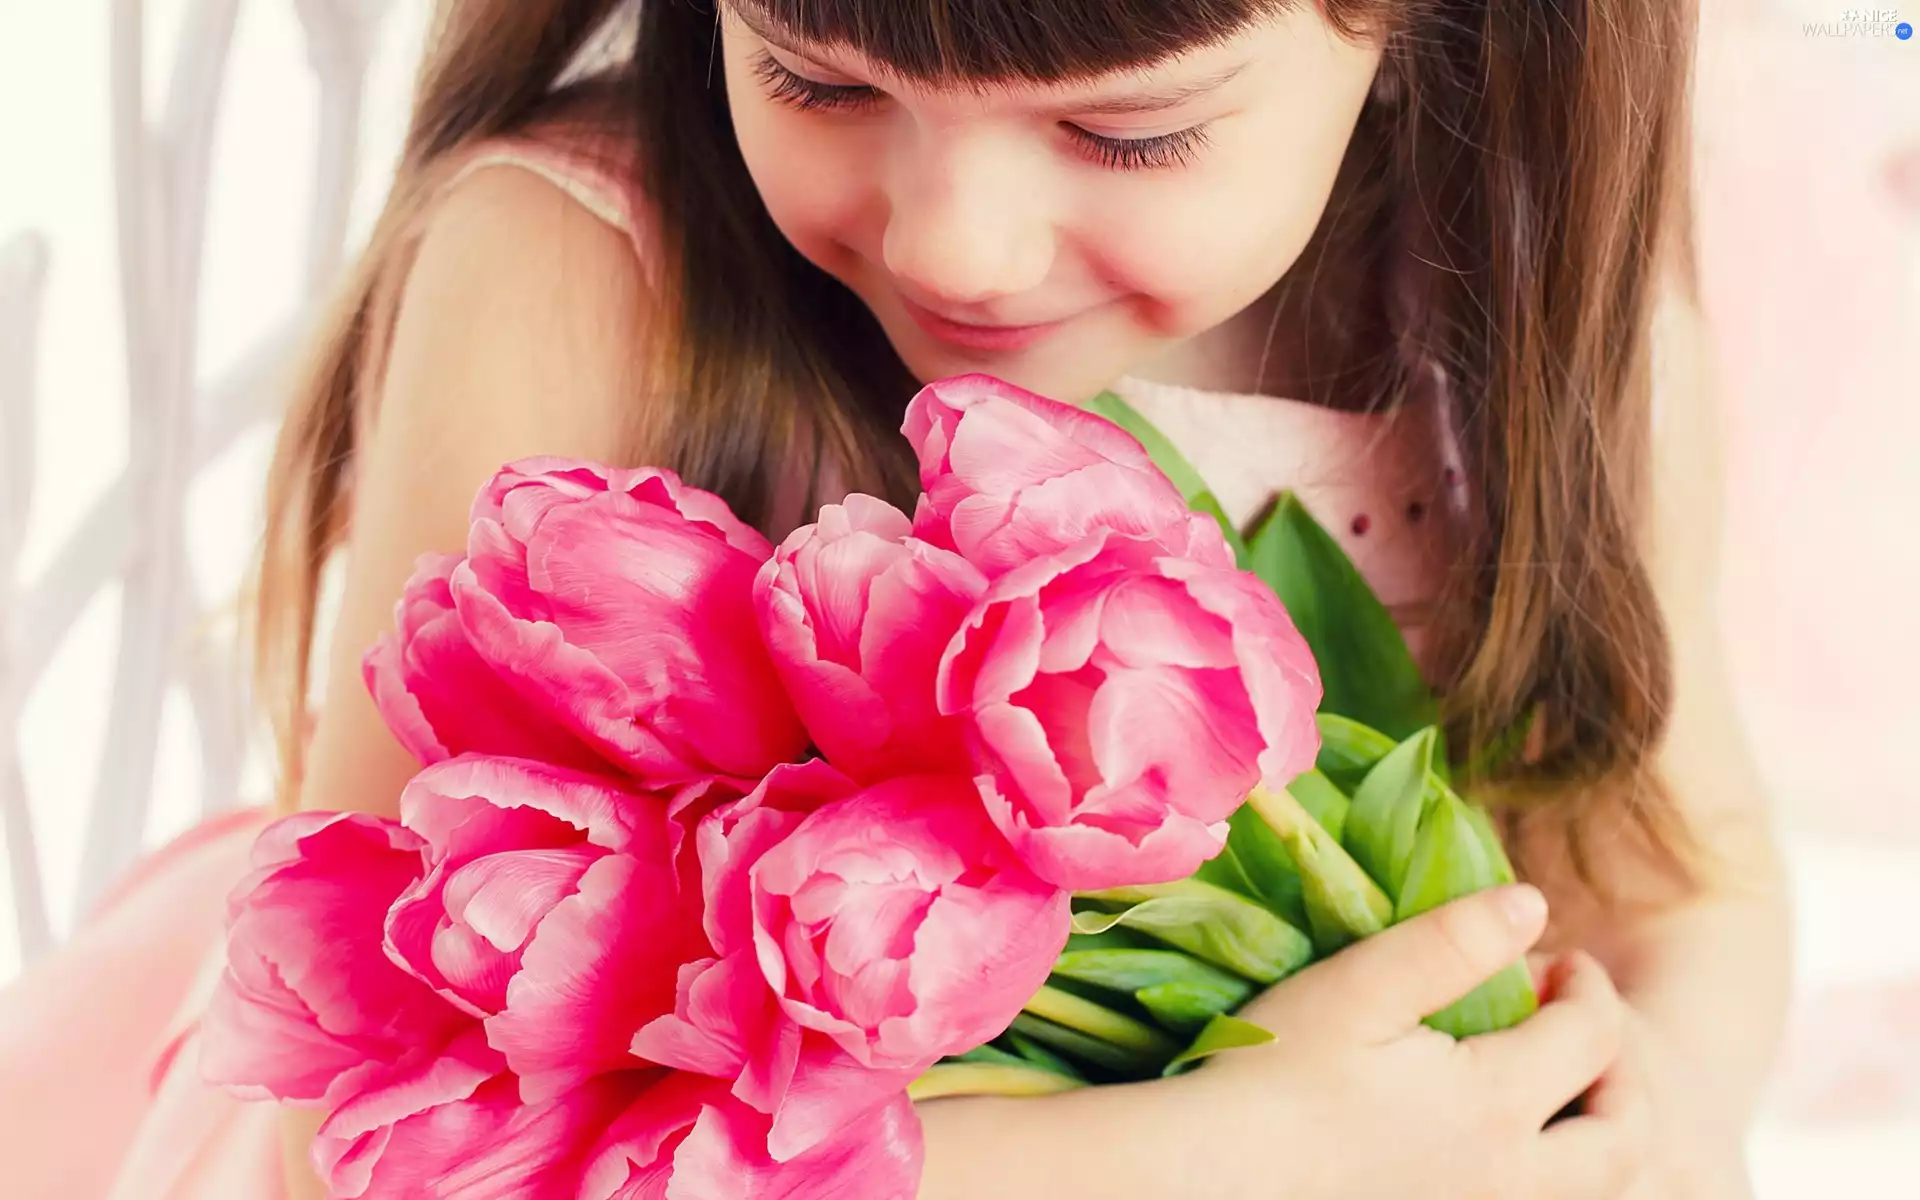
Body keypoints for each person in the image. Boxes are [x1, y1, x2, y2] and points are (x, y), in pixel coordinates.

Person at [0, 1, 1792, 1196]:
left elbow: (1676, 885)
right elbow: (382, 1106)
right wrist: (1209, 1161)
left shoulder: (1538, 360)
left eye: (1129, 131)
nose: (952, 241)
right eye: (821, 75)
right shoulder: (581, 269)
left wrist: (1647, 1121)